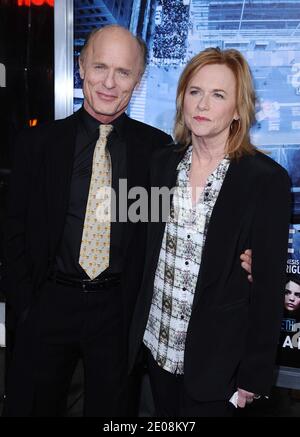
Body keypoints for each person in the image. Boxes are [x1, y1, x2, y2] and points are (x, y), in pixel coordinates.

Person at [2, 25, 252, 417]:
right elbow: (12, 230)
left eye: (124, 72)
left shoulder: (158, 153)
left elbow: (188, 221)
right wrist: (27, 307)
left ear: (139, 78)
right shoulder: (39, 144)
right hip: (48, 303)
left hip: (119, 312)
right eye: (100, 66)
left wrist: (247, 252)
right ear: (81, 66)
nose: (109, 82)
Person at [128, 47, 291, 417]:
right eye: (194, 91)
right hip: (157, 346)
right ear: (182, 97)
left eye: (218, 95)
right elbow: (142, 245)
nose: (202, 104)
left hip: (219, 364)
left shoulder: (265, 181)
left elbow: (267, 289)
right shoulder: (161, 164)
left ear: (237, 110)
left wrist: (254, 373)